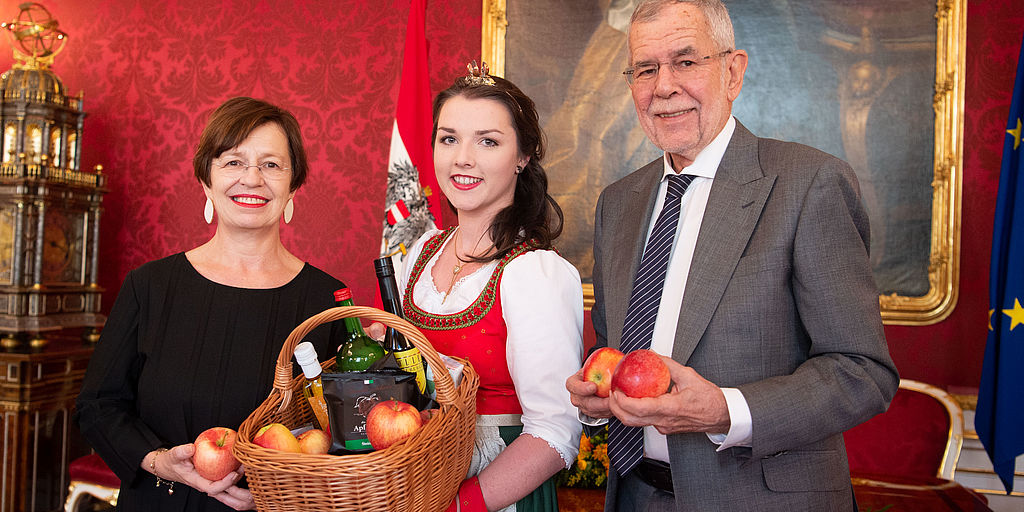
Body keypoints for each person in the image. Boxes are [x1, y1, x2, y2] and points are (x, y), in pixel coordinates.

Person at [564, 1, 900, 510]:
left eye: (686, 61)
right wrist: (598, 400)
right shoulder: (619, 202)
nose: (664, 86)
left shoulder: (809, 183)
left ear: (732, 71)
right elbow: (619, 351)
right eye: (645, 69)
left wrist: (726, 410)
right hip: (633, 496)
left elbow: (863, 372)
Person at [75, 97, 345, 511]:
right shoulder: (149, 287)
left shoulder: (328, 301)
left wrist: (282, 490)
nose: (252, 179)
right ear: (206, 180)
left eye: (271, 165)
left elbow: (342, 435)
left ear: (294, 186)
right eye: (233, 162)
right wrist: (160, 461)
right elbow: (98, 407)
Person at [389, 63, 584, 512]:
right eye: (449, 138)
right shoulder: (419, 253)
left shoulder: (535, 273)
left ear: (523, 157)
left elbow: (556, 433)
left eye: (488, 141)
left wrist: (460, 506)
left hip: (496, 496)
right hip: (415, 491)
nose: (463, 158)